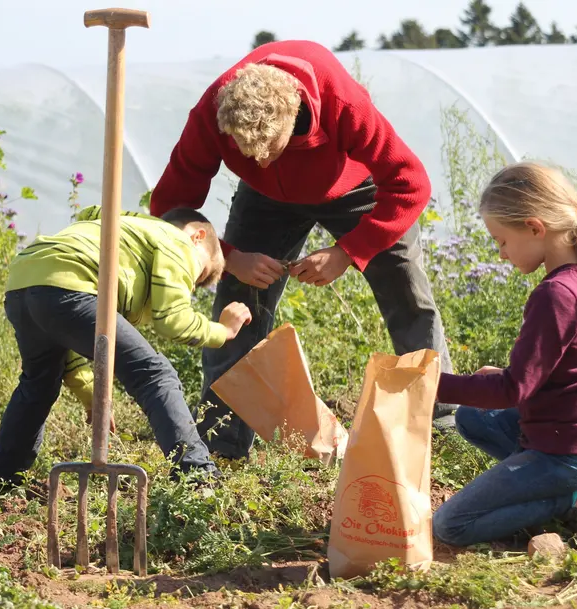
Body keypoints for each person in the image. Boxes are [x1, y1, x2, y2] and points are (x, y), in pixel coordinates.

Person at [149, 39, 456, 461]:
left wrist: (348, 252)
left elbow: (411, 183)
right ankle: (220, 441)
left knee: (406, 291)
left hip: (354, 187)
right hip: (264, 200)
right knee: (239, 301)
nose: (256, 161)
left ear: (294, 123)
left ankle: (443, 420)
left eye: (267, 153)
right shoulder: (212, 113)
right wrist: (229, 257)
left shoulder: (340, 105)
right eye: (242, 152)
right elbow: (169, 206)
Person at [0, 205, 252, 494]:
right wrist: (224, 330)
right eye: (199, 273)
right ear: (197, 236)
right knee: (155, 375)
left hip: (24, 280)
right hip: (72, 284)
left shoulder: (122, 230)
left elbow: (64, 341)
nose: (188, 285)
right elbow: (173, 321)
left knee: (39, 383)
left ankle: (0, 480)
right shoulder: (176, 240)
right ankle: (198, 476)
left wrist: (92, 396)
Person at [431, 162, 577, 548]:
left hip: (570, 451)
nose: (501, 252)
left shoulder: (556, 294)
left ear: (535, 228)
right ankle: (562, 483)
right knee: (474, 417)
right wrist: (500, 379)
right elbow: (571, 369)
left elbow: (513, 391)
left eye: (502, 241)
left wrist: (432, 385)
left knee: (449, 526)